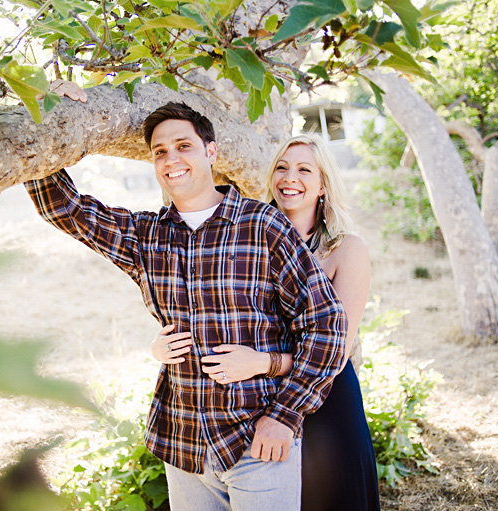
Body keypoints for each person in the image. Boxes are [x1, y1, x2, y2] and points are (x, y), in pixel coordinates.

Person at [24, 103, 347, 510]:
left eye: (183, 145)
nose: (171, 159)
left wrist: (285, 416)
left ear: (210, 152)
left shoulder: (262, 225)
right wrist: (34, 118)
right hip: (185, 445)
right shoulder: (147, 236)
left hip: (257, 441)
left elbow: (326, 323)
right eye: (160, 151)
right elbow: (65, 208)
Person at [153, 133, 380, 510]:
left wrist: (261, 362)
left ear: (323, 185)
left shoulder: (345, 250)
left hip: (322, 401)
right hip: (256, 401)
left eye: (305, 170)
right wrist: (161, 345)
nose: (290, 178)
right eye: (282, 168)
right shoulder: (249, 236)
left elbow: (335, 352)